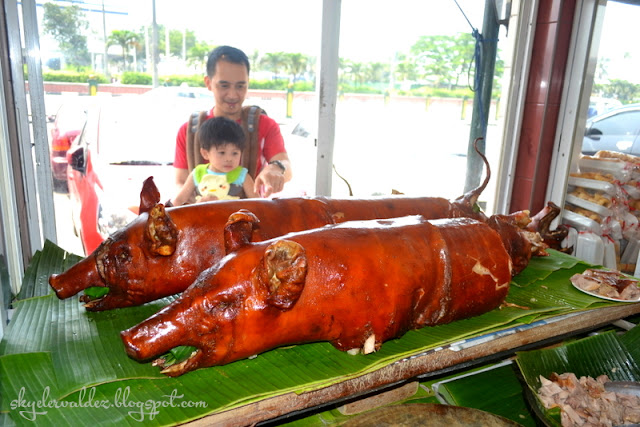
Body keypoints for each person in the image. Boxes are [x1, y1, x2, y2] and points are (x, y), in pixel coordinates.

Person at [173, 45, 292, 197]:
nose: (233, 94)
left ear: (248, 83)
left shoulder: (265, 124)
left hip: (250, 217)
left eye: (240, 86)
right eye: (224, 85)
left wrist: (276, 168)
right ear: (208, 83)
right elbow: (180, 182)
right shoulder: (190, 130)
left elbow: (286, 166)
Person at [172, 117, 259, 205]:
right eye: (222, 152)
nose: (229, 158)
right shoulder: (197, 173)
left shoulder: (242, 175)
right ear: (205, 153)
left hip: (234, 217)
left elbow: (258, 202)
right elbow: (179, 200)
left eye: (235, 153)